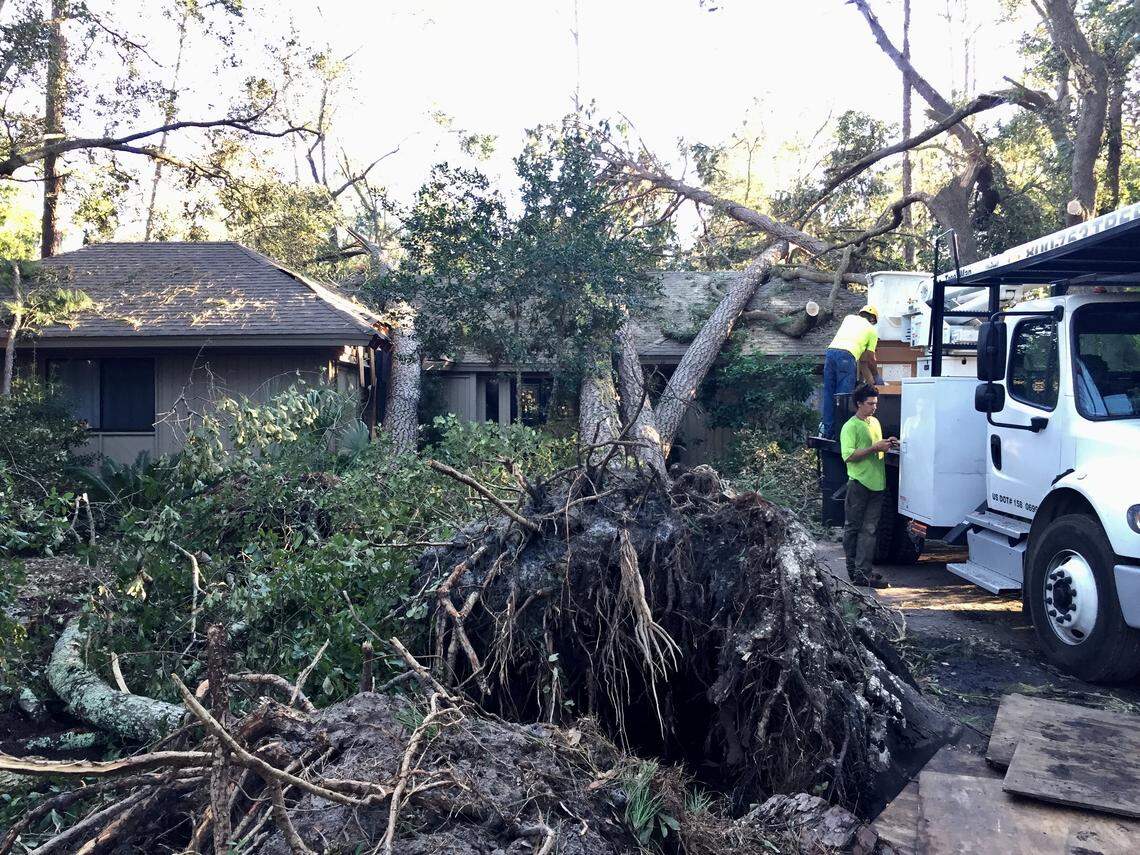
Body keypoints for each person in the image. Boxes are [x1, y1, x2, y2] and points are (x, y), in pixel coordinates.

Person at [840, 383, 897, 589]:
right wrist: (874, 447)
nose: (874, 407)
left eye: (875, 403)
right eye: (870, 403)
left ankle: (863, 573)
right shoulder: (850, 426)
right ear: (858, 404)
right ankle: (852, 570)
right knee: (853, 527)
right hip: (859, 483)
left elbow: (876, 446)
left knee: (870, 530)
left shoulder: (874, 422)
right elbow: (848, 456)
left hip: (877, 484)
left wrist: (887, 443)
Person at [821, 305, 881, 438]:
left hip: (830, 354)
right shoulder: (872, 331)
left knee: (829, 393)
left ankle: (827, 431)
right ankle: (841, 433)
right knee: (844, 396)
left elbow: (862, 359)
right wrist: (876, 376)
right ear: (873, 320)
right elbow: (870, 358)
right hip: (847, 357)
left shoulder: (848, 319)